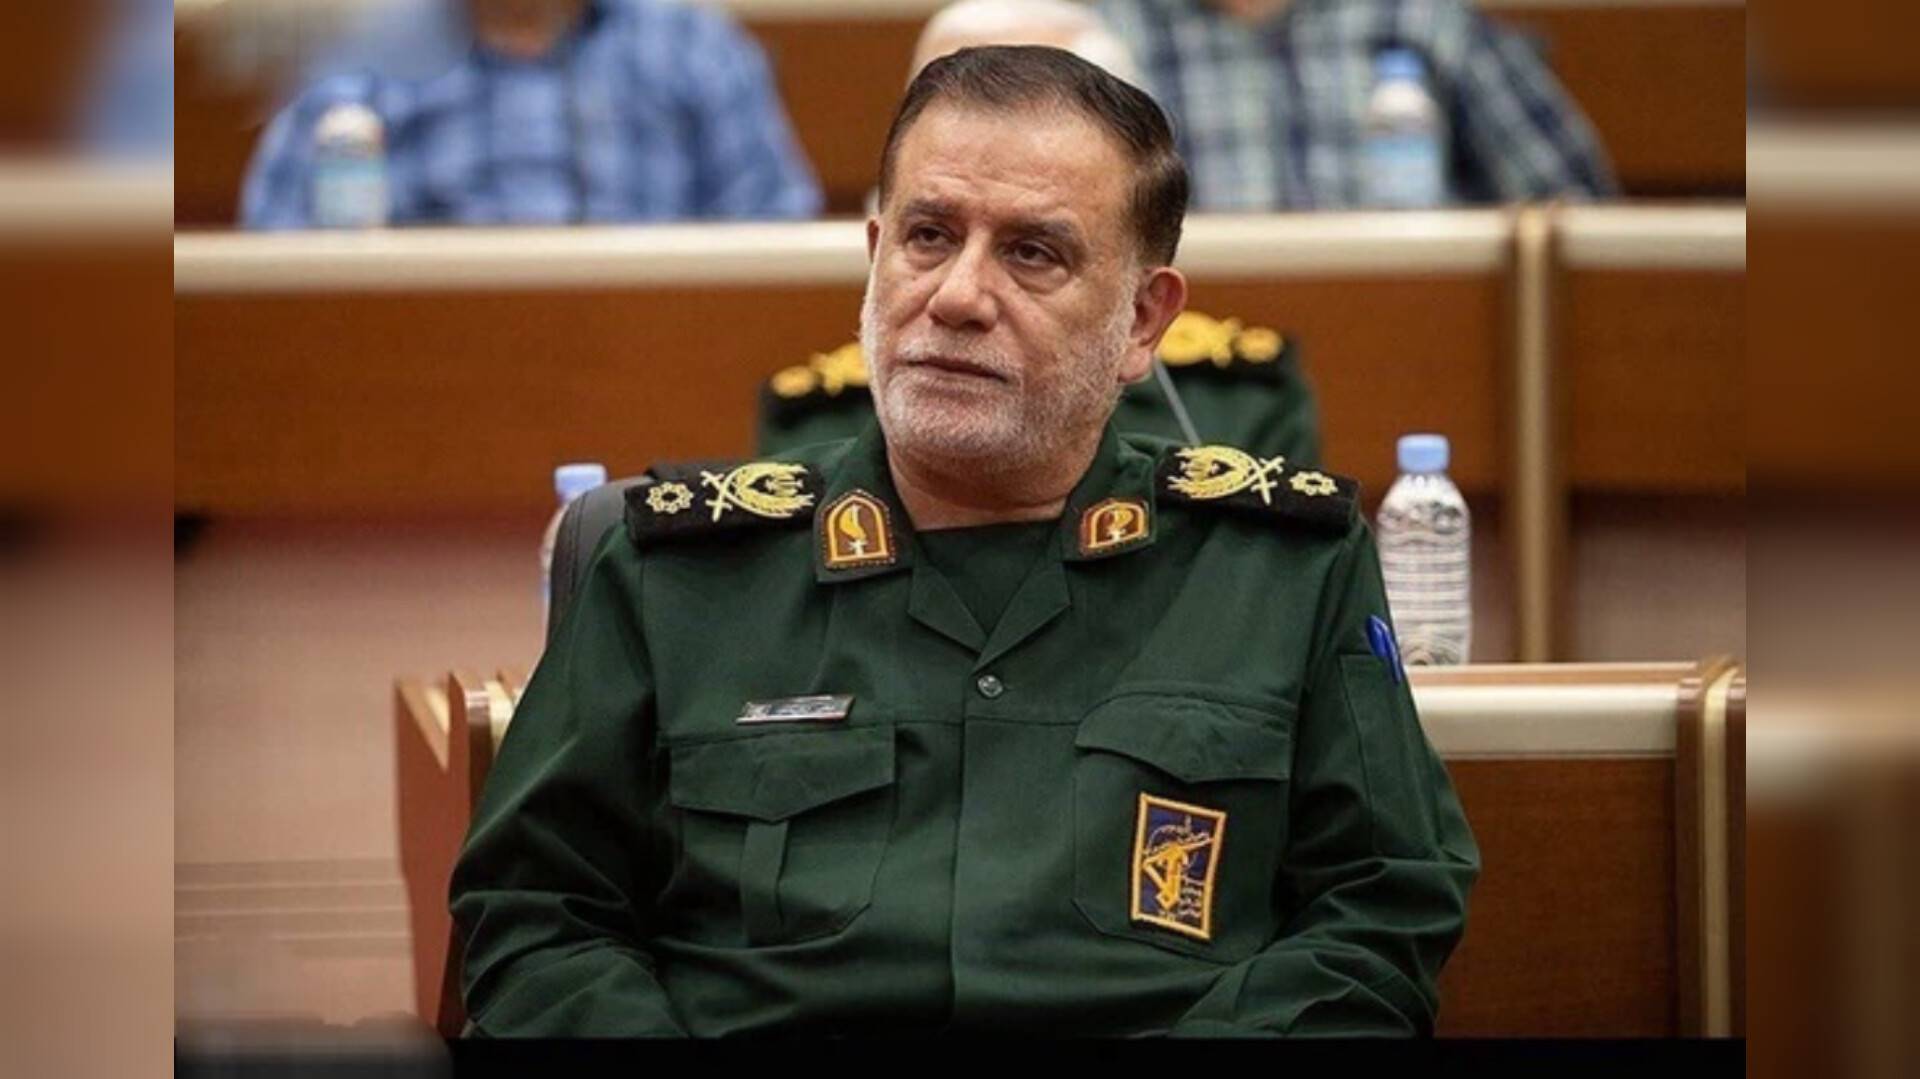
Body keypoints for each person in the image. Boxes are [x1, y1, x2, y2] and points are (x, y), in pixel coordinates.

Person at [450, 45, 1477, 1037]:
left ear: (1142, 320)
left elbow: (1379, 909)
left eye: (1033, 253)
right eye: (929, 236)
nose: (956, 297)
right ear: (874, 259)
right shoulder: (677, 573)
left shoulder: (1280, 567)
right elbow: (538, 916)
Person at [240, 0, 820, 228]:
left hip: (659, 377)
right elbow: (276, 272)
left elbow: (774, 243)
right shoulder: (360, 62)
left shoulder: (693, 45)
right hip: (409, 389)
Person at [1093, 0, 1617, 210]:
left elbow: (1575, 210)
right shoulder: (1105, 29)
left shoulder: (1417, 14)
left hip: (1420, 330)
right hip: (1198, 352)